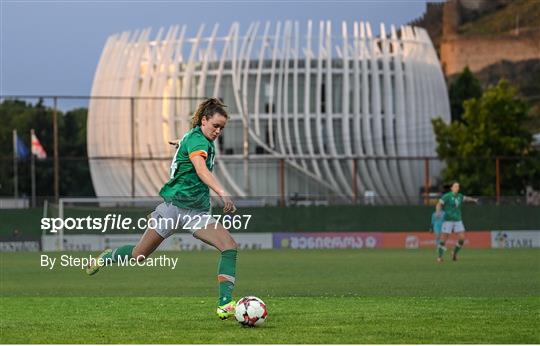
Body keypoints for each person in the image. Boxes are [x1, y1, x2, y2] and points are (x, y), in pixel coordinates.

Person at [86, 98, 239, 319]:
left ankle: (225, 303)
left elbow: (191, 143)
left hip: (196, 213)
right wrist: (222, 192)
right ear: (204, 120)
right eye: (215, 126)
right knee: (139, 255)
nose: (218, 131)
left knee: (229, 246)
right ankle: (106, 258)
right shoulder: (198, 141)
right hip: (173, 209)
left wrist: (181, 142)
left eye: (222, 128)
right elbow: (200, 169)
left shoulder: (196, 138)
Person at [435, 181, 478, 262]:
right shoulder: (447, 196)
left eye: (458, 186)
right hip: (448, 220)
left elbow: (466, 198)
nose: (457, 188)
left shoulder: (460, 196)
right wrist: (438, 212)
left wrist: (473, 200)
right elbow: (439, 204)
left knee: (462, 238)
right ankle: (440, 257)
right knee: (443, 240)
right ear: (451, 188)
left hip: (458, 220)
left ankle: (454, 253)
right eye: (455, 186)